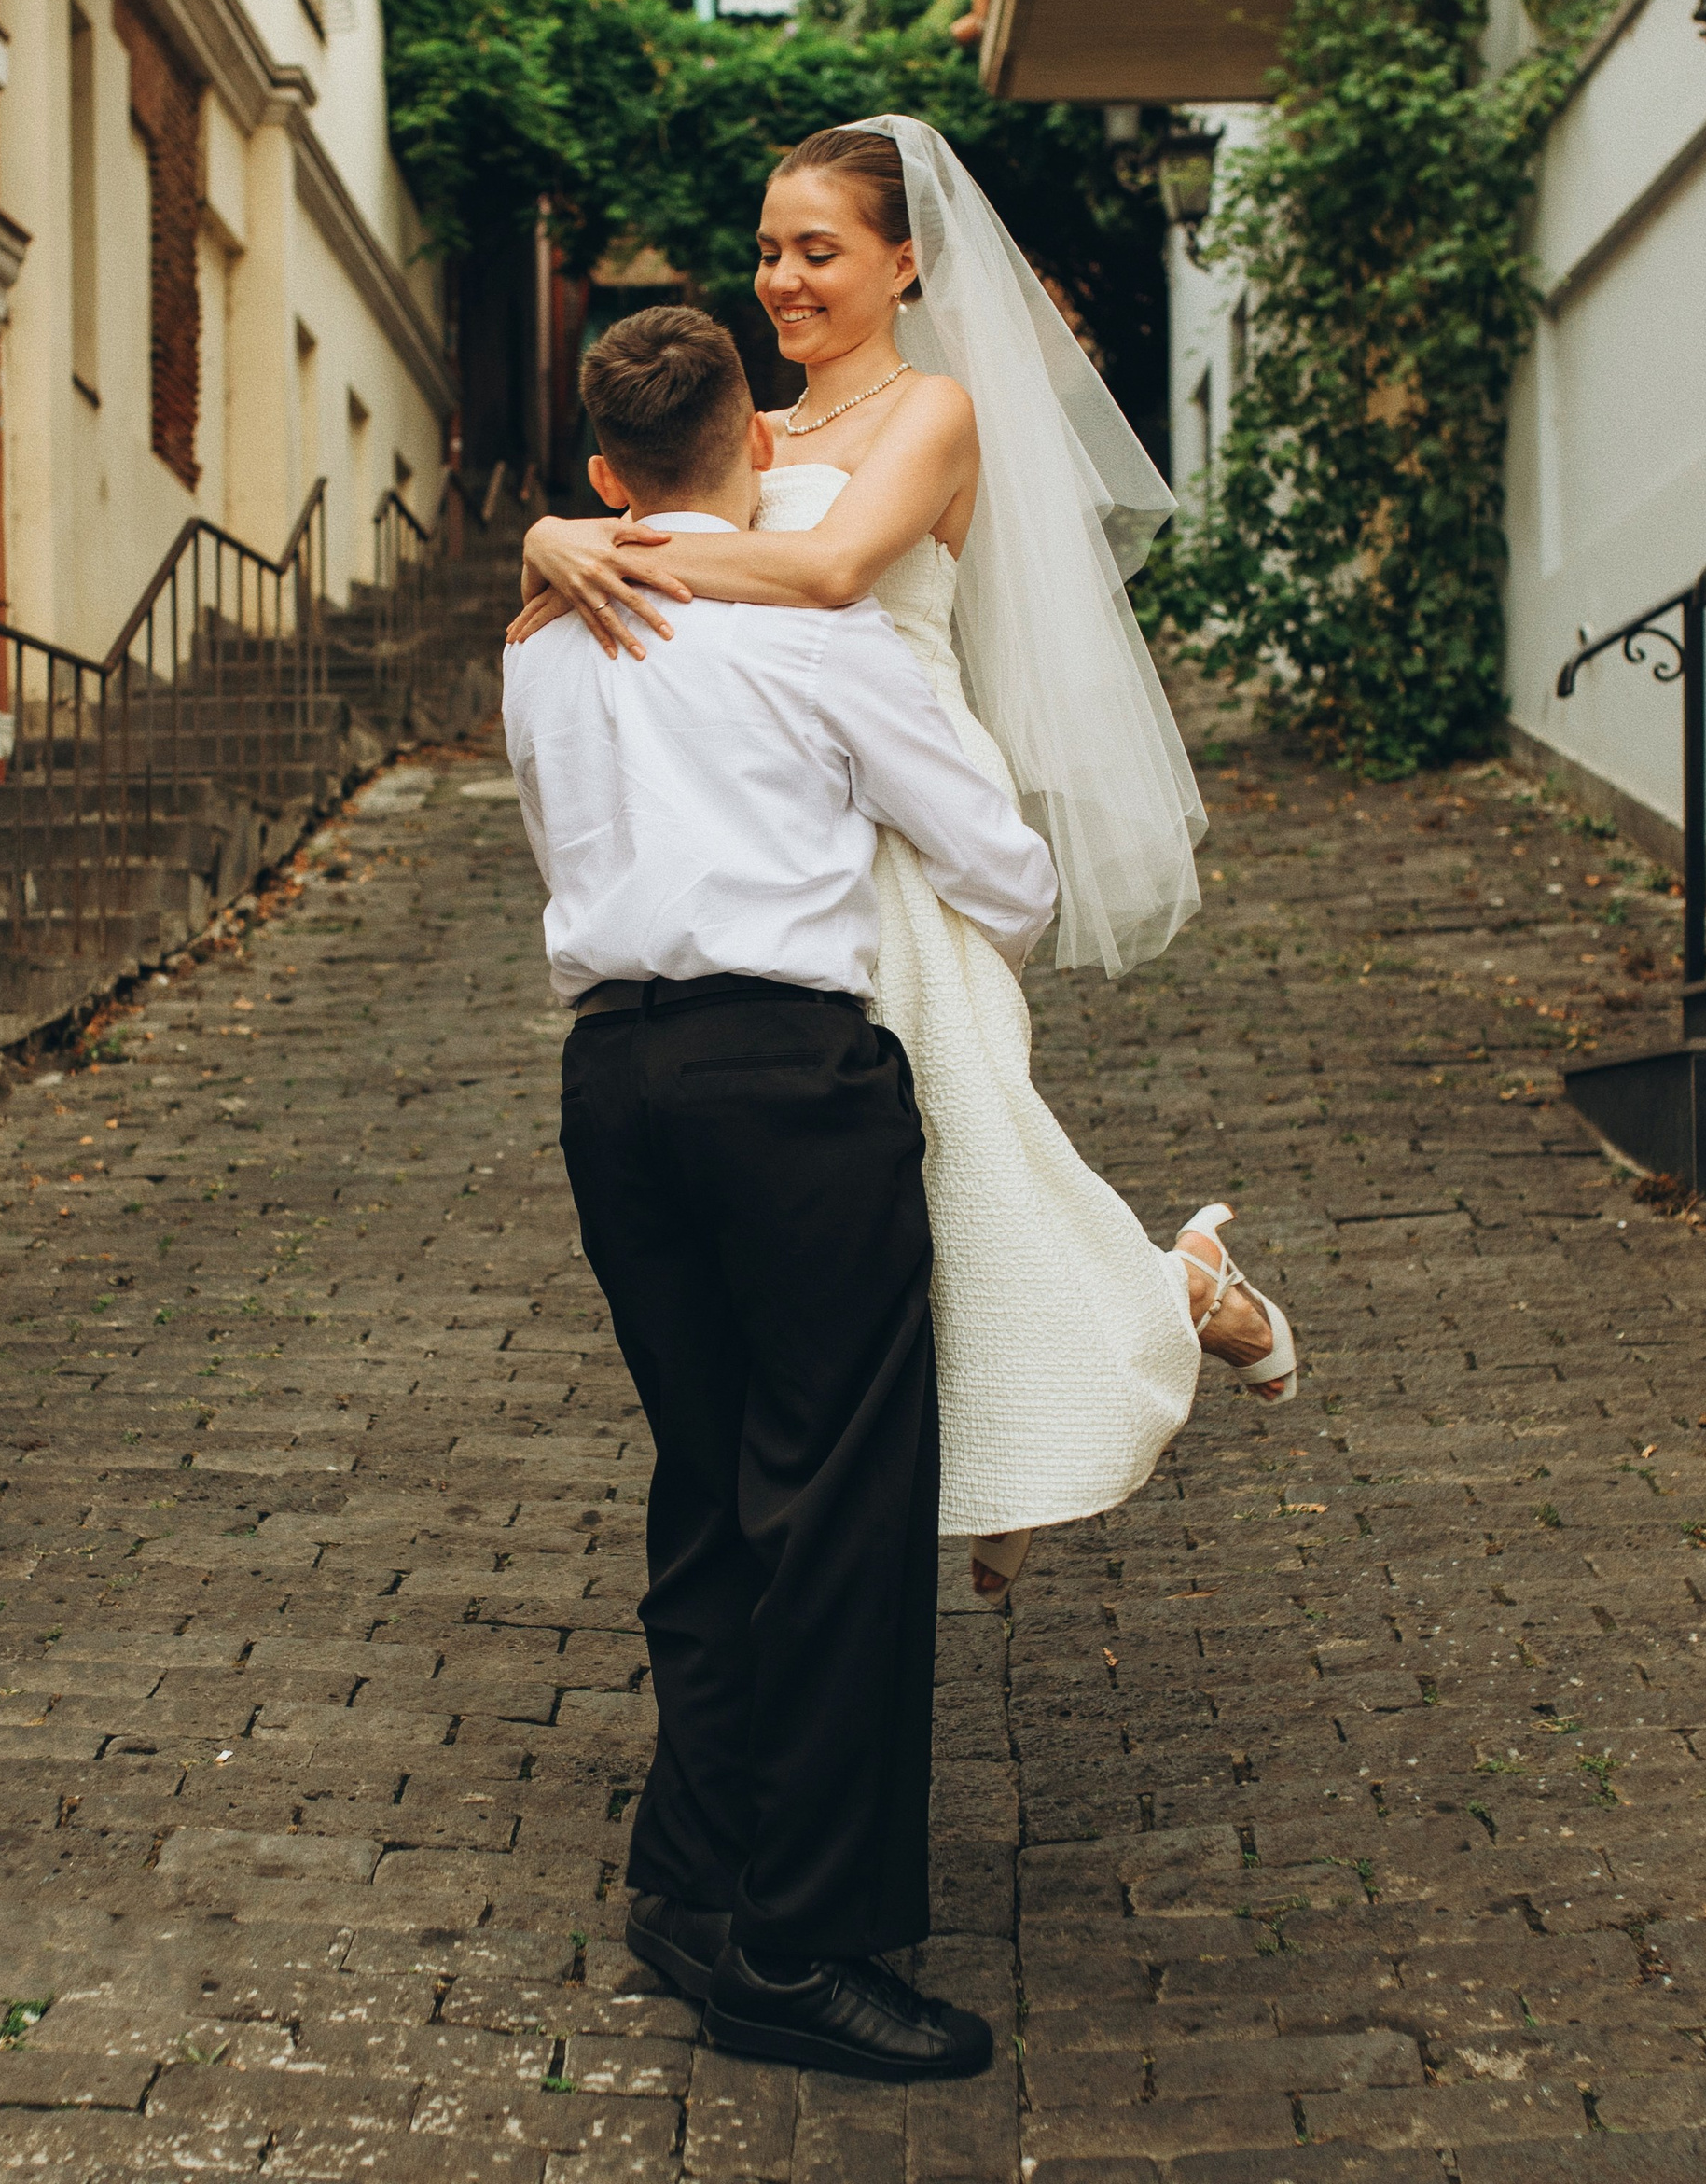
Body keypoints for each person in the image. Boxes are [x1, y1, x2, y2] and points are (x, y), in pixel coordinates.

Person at [512, 119, 1299, 1600]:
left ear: (903, 258)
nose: (785, 278)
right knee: (868, 1214)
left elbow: (822, 577)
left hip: (908, 810)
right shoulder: (753, 426)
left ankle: (1178, 1296)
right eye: (767, 250)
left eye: (819, 249)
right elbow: (683, 532)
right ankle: (995, 1456)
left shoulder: (931, 410)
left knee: (962, 1164)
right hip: (779, 817)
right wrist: (567, 534)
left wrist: (584, 540)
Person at [501, 303, 1062, 2084]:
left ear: (601, 476)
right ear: (759, 448)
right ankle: (801, 1948)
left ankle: (691, 1870)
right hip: (787, 1087)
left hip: (615, 1084)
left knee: (711, 1476)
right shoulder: (813, 636)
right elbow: (1008, 869)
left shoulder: (537, 641)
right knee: (836, 1508)